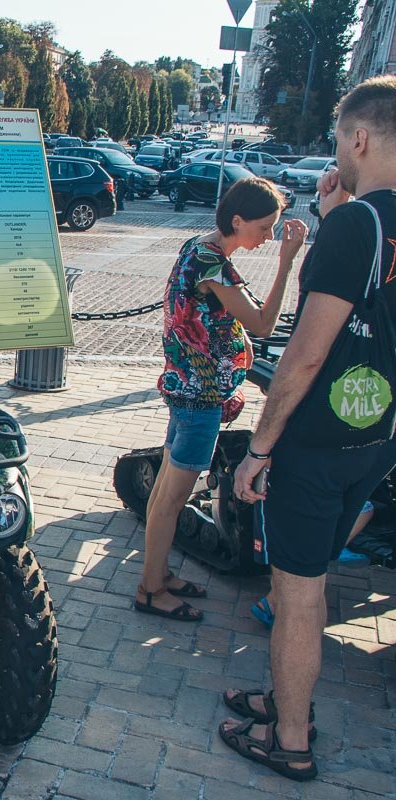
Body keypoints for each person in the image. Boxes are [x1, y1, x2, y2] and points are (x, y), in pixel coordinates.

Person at [228, 76, 396, 782]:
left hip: (318, 441)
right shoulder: (364, 222)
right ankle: (282, 696)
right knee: (314, 577)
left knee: (297, 593)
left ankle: (289, 738)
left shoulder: (360, 227)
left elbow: (304, 355)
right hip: (376, 437)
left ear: (359, 138)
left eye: (338, 140)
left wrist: (259, 449)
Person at [137, 177, 307, 622]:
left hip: (184, 387)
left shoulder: (199, 247)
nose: (269, 237)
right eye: (265, 227)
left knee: (163, 493)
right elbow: (264, 323)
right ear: (237, 221)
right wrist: (287, 263)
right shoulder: (215, 265)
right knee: (172, 498)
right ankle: (151, 589)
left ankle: (158, 574)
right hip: (200, 397)